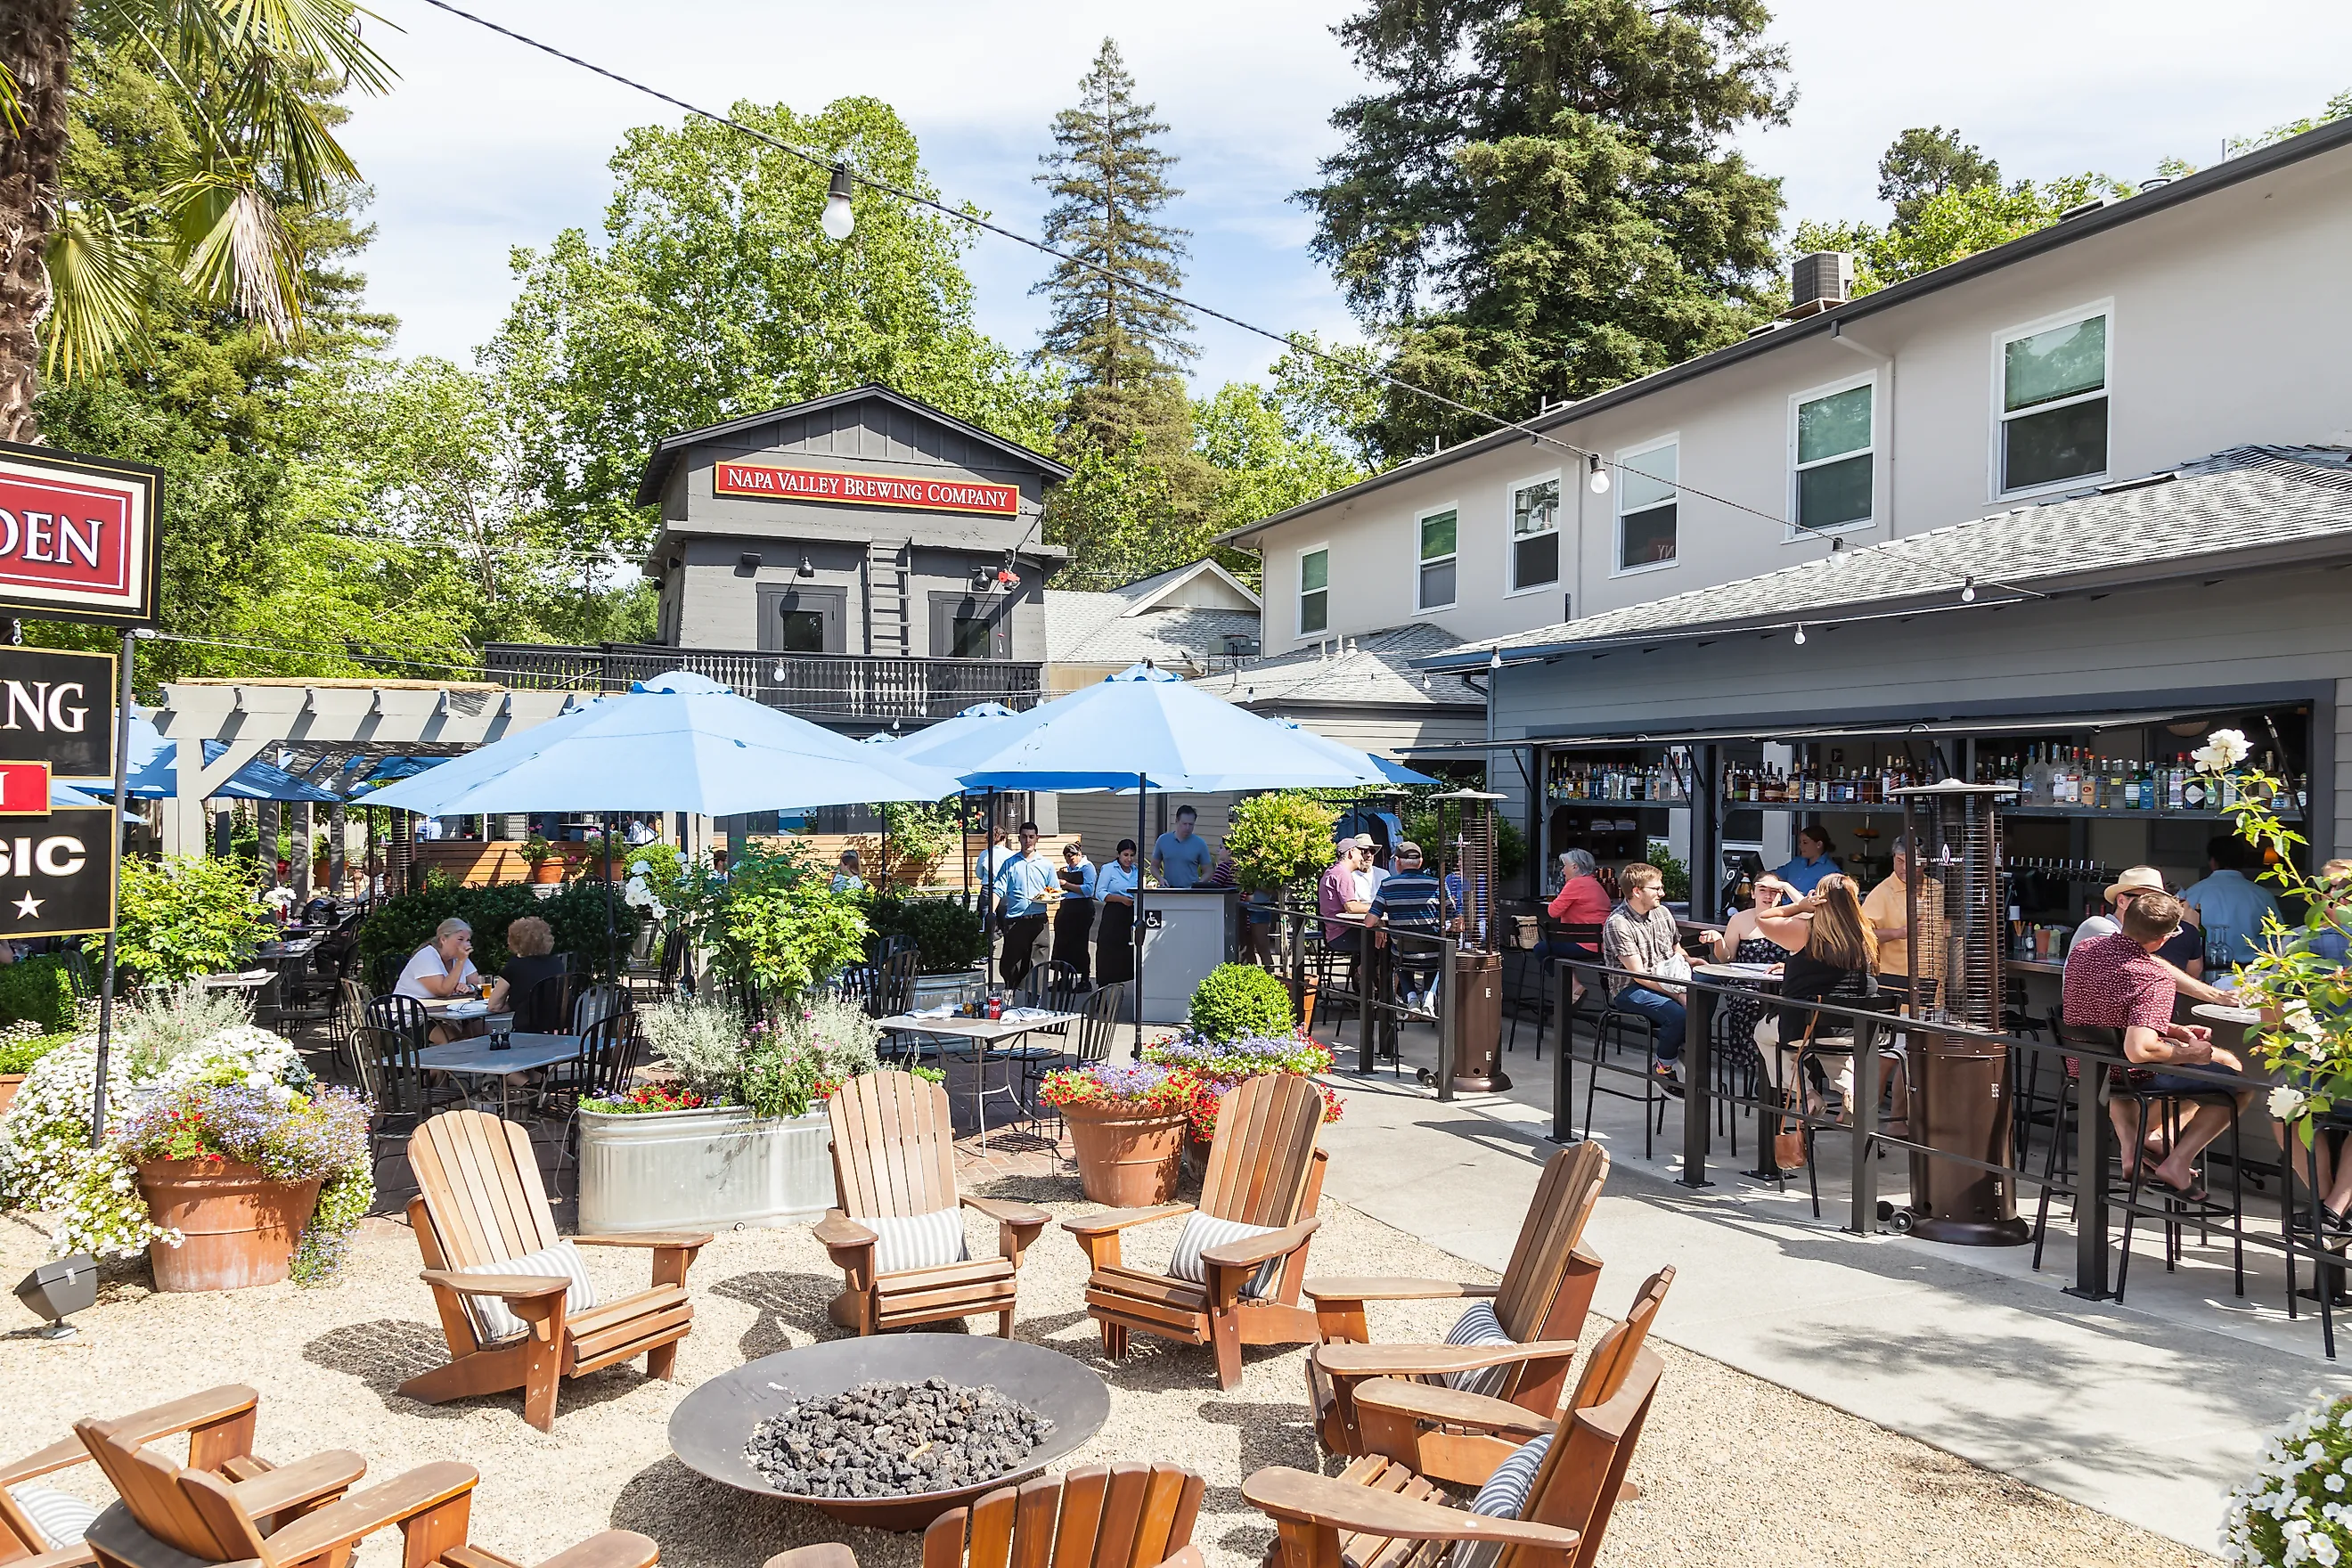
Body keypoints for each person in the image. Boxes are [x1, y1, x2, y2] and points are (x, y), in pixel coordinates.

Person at [2063, 890, 2256, 1200]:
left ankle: (2138, 1145)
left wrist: (2171, 1029)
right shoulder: (2154, 977)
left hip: (2084, 1065)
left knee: (2215, 1065)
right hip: (2126, 1072)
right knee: (2239, 1083)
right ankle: (2176, 1161)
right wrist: (2189, 1052)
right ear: (2165, 938)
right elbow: (2139, 1051)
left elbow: (2106, 1011)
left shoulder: (2085, 949)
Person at [1757, 874, 1878, 1115]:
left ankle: (1808, 1094)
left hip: (1808, 1026)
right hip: (1856, 1029)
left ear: (1820, 899)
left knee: (1763, 1033)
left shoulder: (1804, 929)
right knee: (1832, 1044)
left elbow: (1762, 918)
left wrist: (1799, 906)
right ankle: (1850, 1093)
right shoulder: (1865, 935)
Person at [2069, 866, 2239, 1007]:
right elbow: (2150, 965)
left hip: (2119, 1029)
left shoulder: (2142, 939)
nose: (2152, 905)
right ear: (2121, 901)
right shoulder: (2098, 925)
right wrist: (2217, 996)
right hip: (2102, 1035)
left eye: (2158, 899)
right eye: (2145, 898)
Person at [1601, 863, 1688, 1091]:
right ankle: (1663, 1068)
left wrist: (1695, 964)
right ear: (1637, 891)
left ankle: (1688, 1048)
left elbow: (1676, 950)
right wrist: (1678, 993)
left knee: (1711, 988)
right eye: (1656, 888)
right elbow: (1638, 975)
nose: (1663, 893)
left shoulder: (1662, 912)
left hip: (1670, 977)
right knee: (1678, 1014)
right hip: (1630, 988)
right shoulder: (1618, 923)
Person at [1703, 875, 1798, 1074]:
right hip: (1745, 985)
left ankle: (1784, 1073)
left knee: (1792, 1010)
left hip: (1783, 985)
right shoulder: (1739, 919)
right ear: (1753, 893)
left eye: (1774, 891)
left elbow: (1813, 911)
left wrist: (1786, 886)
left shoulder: (1791, 920)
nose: (1768, 895)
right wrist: (1718, 941)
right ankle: (1760, 1071)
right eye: (1763, 890)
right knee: (1753, 1008)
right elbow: (1726, 958)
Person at [2180, 834, 2285, 969]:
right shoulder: (2262, 895)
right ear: (2242, 860)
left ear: (2212, 861)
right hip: (2253, 972)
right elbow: (2279, 937)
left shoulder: (2194, 893)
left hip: (2206, 969)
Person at [396, 918, 507, 1042]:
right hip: (414, 1017)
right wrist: (460, 961)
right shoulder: (426, 956)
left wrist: (469, 988)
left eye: (468, 940)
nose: (466, 945)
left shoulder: (459, 958)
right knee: (454, 1039)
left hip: (448, 1014)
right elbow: (443, 991)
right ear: (443, 939)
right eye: (460, 939)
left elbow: (477, 982)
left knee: (484, 1031)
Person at [1368, 840, 1447, 1012]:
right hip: (1433, 952)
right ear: (1420, 862)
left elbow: (1369, 922)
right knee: (1437, 956)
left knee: (1398, 954)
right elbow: (1456, 918)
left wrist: (1381, 920)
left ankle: (1411, 997)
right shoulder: (1437, 885)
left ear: (1397, 862)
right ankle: (1429, 999)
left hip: (1403, 952)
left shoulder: (1388, 885)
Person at [993, 821, 1057, 991]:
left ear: (1037, 839)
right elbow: (998, 889)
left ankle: (1034, 1002)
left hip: (1039, 920)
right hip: (1016, 920)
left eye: (1031, 837)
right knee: (1012, 963)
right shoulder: (1010, 863)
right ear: (1019, 838)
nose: (1027, 840)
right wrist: (991, 912)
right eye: (1024, 837)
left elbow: (1054, 892)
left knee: (1039, 962)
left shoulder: (1046, 865)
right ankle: (1011, 995)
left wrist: (1050, 898)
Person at [1860, 839, 1912, 999]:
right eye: (1899, 861)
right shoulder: (1880, 893)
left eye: (1910, 862)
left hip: (1936, 990)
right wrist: (1897, 933)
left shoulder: (1936, 888)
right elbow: (1860, 935)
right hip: (1895, 984)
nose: (1904, 868)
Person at [501, 916, 568, 1033]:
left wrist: (517, 1005)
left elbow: (494, 1005)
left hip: (526, 1031)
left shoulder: (515, 966)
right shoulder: (557, 963)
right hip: (556, 1030)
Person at [1095, 840, 1140, 985]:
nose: (1129, 859)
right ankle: (1102, 992)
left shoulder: (1136, 871)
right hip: (1114, 913)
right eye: (1125, 855)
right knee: (1108, 951)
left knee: (1127, 951)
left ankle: (1121, 986)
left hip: (1130, 914)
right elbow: (1100, 892)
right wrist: (1121, 899)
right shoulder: (1109, 869)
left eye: (1132, 855)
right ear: (1118, 854)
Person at [1052, 839, 1097, 984]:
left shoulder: (1087, 868)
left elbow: (1088, 890)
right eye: (1067, 858)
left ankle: (1084, 979)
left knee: (1079, 943)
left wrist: (1067, 884)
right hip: (1066, 907)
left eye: (1072, 858)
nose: (1070, 861)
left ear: (1079, 854)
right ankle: (1064, 978)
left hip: (1082, 909)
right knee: (1063, 943)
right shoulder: (1067, 869)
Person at [1319, 839, 1371, 955]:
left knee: (1378, 935)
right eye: (1360, 853)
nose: (1362, 858)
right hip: (1342, 934)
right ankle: (1366, 970)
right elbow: (1351, 907)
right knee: (1386, 940)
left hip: (1334, 932)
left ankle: (1361, 969)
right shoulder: (1342, 873)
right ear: (1351, 852)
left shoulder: (1333, 871)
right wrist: (1376, 907)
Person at [1153, 805, 1213, 889]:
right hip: (1169, 890)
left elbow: (1208, 871)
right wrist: (1160, 879)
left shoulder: (1200, 844)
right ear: (1177, 821)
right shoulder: (1163, 840)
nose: (1187, 828)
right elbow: (1154, 866)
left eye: (1191, 824)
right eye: (1184, 824)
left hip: (1190, 892)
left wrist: (1198, 885)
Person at [1773, 824, 1840, 895]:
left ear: (1819, 844)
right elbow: (1775, 875)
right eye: (1800, 842)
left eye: (1805, 842)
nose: (1800, 846)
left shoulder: (1832, 871)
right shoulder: (1796, 862)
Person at [973, 824, 1015, 888]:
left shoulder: (984, 854)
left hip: (987, 887)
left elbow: (979, 874)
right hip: (1005, 887)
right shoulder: (1011, 854)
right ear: (1004, 839)